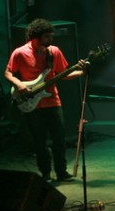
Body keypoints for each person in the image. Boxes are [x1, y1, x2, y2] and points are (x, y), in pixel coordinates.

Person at [5, 18, 87, 182]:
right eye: (47, 37)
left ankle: (61, 172)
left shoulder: (54, 51)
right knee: (39, 141)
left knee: (59, 138)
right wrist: (19, 85)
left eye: (51, 36)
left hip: (52, 101)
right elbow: (8, 73)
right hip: (31, 103)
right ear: (36, 37)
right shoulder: (20, 53)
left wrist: (82, 72)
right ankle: (46, 173)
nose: (51, 39)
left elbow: (63, 74)